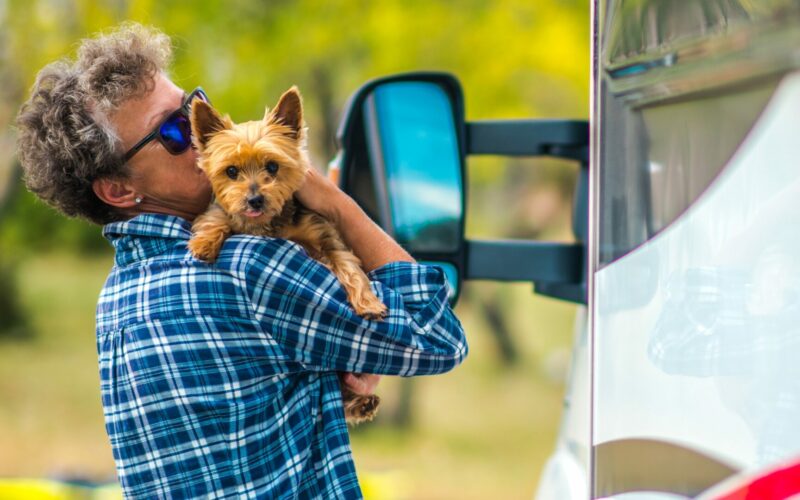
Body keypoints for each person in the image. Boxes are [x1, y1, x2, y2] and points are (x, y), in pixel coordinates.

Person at [15, 23, 467, 498]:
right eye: (173, 131)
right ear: (120, 189)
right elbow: (437, 338)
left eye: (195, 108)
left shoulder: (117, 299)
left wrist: (333, 362)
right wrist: (334, 202)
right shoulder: (248, 267)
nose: (200, 134)